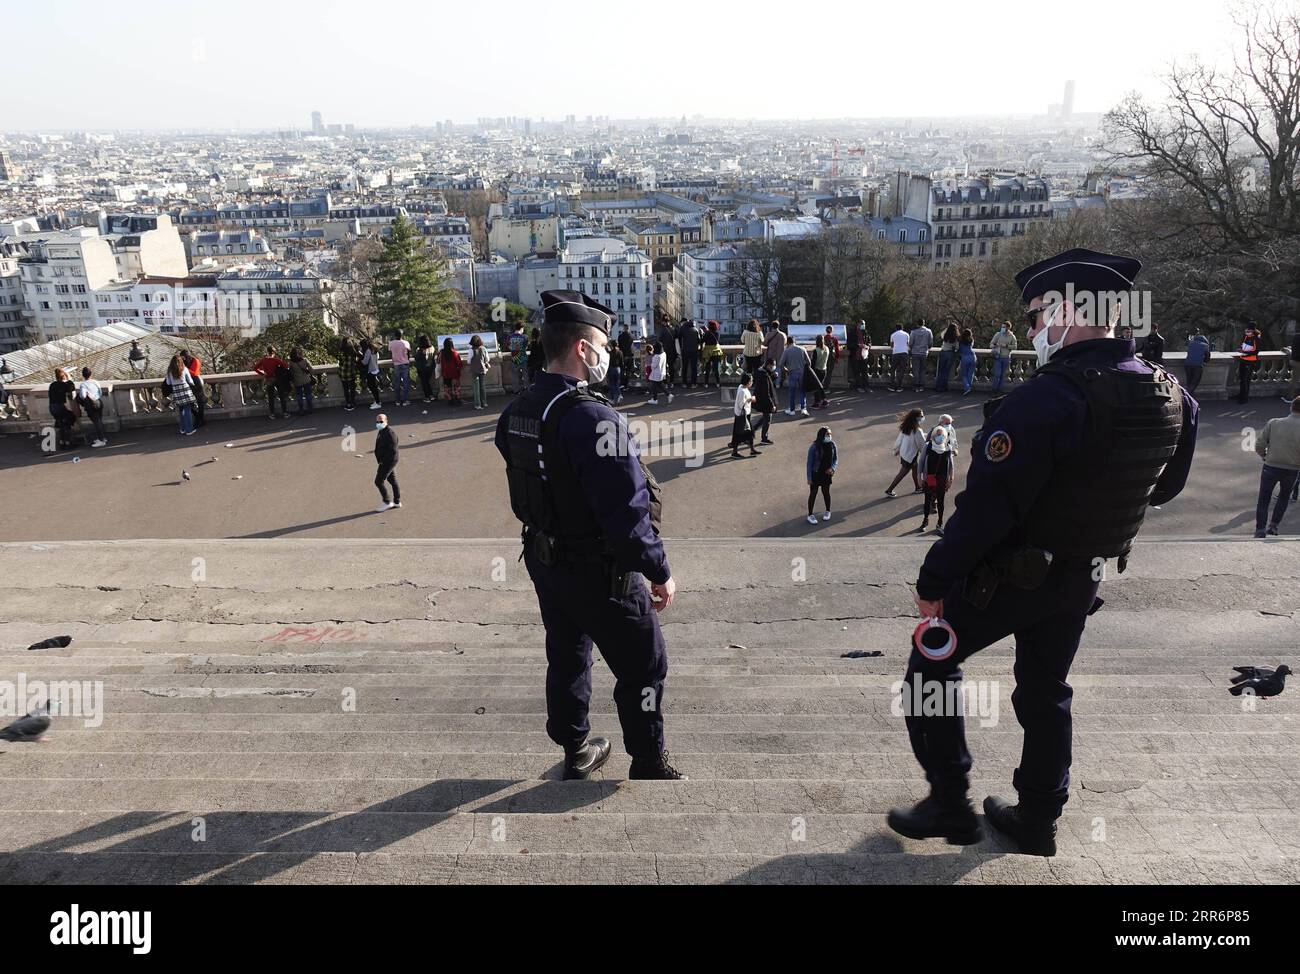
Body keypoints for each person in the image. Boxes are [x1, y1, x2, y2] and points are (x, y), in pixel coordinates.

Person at [888, 247, 1198, 856]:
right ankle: (1038, 818)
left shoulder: (1046, 400)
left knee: (929, 667)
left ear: (1066, 311)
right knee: (1045, 690)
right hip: (1083, 575)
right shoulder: (1171, 395)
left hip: (1010, 575)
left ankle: (950, 802)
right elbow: (1165, 488)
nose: (1032, 330)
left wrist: (934, 580)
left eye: (1035, 316)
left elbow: (984, 512)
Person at [496, 288, 682, 781]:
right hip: (601, 572)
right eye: (602, 342)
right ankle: (647, 760)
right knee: (644, 668)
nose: (606, 352)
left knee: (567, 651)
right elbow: (628, 516)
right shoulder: (595, 418)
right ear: (582, 348)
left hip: (545, 559)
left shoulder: (519, 407)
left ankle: (576, 747)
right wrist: (659, 571)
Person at [1253, 397, 1300, 537]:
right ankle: (1274, 526)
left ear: (1291, 407)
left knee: (1264, 498)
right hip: (1292, 468)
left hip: (1271, 465)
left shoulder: (1274, 423)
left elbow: (1260, 444)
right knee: (1284, 497)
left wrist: (1264, 456)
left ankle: (1260, 529)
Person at [918, 424, 956, 534]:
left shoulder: (948, 447)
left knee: (940, 501)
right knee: (927, 500)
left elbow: (951, 465)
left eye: (942, 435)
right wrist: (919, 477)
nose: (940, 437)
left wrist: (951, 478)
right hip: (929, 477)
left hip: (942, 478)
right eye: (938, 435)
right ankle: (925, 521)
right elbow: (921, 462)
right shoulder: (928, 446)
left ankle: (940, 523)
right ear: (934, 435)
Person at [886, 407, 926, 496]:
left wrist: (896, 449)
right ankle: (889, 490)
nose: (923, 417)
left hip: (905, 453)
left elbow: (901, 439)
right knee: (902, 473)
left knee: (915, 469)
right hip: (910, 456)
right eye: (921, 416)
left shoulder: (907, 426)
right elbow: (921, 444)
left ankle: (918, 487)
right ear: (916, 417)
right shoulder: (917, 430)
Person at [805, 426, 837, 524]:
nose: (830, 436)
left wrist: (832, 468)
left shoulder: (832, 444)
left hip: (827, 473)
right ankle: (810, 515)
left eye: (830, 434)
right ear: (822, 435)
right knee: (813, 493)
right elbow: (809, 463)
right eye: (828, 434)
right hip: (816, 473)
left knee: (826, 492)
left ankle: (828, 511)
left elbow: (835, 459)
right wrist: (809, 478)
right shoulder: (814, 447)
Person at [163, 353, 198, 436]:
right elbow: (190, 381)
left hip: (176, 391)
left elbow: (168, 382)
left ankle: (182, 429)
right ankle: (189, 430)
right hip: (185, 390)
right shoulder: (184, 369)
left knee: (181, 411)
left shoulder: (169, 371)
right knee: (187, 410)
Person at [372, 412, 401, 512]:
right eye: (377, 421)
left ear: (386, 421)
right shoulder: (382, 431)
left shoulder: (390, 433)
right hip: (387, 461)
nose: (379, 423)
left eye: (381, 421)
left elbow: (393, 451)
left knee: (378, 481)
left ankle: (387, 502)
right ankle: (397, 502)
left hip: (388, 462)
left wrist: (383, 462)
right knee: (392, 480)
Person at [253, 345, 290, 419]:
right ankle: (285, 413)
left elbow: (255, 368)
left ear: (267, 352)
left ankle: (272, 414)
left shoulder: (263, 360)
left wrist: (263, 374)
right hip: (277, 380)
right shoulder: (276, 360)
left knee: (271, 398)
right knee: (281, 396)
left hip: (269, 380)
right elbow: (286, 366)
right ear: (274, 352)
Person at [730, 372, 761, 459]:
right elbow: (741, 404)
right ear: (747, 382)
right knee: (744, 433)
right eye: (751, 381)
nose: (752, 382)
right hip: (742, 416)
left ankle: (750, 449)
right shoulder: (743, 391)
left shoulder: (741, 387)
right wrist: (751, 399)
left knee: (745, 433)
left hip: (742, 415)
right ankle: (736, 452)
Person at [76, 366, 108, 448]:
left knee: (96, 422)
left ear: (83, 375)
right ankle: (103, 438)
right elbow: (100, 393)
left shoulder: (83, 385)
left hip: (90, 405)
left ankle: (101, 440)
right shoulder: (95, 382)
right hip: (98, 402)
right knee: (99, 420)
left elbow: (83, 396)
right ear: (91, 374)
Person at [48, 368, 78, 450]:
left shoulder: (52, 384)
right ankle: (68, 442)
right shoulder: (63, 385)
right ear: (63, 377)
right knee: (69, 420)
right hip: (59, 407)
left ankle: (62, 442)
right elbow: (71, 389)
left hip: (52, 407)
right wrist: (69, 379)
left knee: (61, 423)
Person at [780, 339, 811, 417]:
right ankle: (803, 409)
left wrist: (786, 370)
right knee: (802, 391)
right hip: (802, 372)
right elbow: (809, 362)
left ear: (788, 343)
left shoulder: (786, 351)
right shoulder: (802, 349)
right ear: (794, 342)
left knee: (792, 392)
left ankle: (792, 410)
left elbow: (781, 364)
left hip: (792, 372)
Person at [753, 358, 778, 445]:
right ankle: (764, 438)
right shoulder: (764, 375)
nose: (774, 367)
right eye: (773, 365)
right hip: (765, 401)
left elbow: (768, 382)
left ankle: (752, 430)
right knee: (767, 418)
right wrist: (772, 405)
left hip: (761, 399)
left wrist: (773, 377)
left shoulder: (763, 372)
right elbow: (766, 392)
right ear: (768, 365)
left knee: (765, 417)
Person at [990, 320, 1017, 393]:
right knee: (997, 374)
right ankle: (994, 389)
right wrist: (996, 345)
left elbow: (1015, 347)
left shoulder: (1012, 336)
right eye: (1002, 327)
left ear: (1008, 328)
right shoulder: (998, 334)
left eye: (1004, 327)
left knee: (1002, 375)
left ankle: (999, 390)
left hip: (1006, 358)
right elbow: (991, 344)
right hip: (998, 357)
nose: (1002, 328)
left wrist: (1006, 346)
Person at [1235, 324, 1260, 403]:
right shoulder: (1246, 337)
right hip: (1243, 359)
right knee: (1242, 379)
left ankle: (1244, 398)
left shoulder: (1256, 338)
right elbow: (1244, 346)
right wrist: (1241, 349)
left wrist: (1244, 352)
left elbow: (1256, 351)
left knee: (1246, 380)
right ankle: (1241, 394)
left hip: (1250, 361)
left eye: (1248, 330)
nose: (1247, 332)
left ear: (1252, 330)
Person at [388, 329, 412, 406]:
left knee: (397, 383)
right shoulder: (406, 343)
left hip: (396, 364)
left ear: (395, 335)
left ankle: (397, 401)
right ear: (402, 335)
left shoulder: (391, 343)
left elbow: (390, 353)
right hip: (405, 364)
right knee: (405, 383)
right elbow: (408, 354)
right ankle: (405, 400)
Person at [181, 350, 204, 428]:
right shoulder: (183, 362)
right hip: (188, 383)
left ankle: (200, 420)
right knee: (189, 402)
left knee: (200, 401)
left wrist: (184, 369)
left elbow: (194, 373)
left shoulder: (195, 360)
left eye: (184, 357)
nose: (183, 359)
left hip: (196, 381)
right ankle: (197, 417)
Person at [288, 346, 315, 415]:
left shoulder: (291, 362)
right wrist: (310, 374)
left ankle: (301, 410)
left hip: (297, 381)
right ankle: (310, 409)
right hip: (306, 380)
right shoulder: (304, 360)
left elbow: (290, 373)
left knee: (299, 396)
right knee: (308, 394)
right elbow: (311, 370)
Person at [909, 318, 933, 392]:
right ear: (924, 323)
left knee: (916, 370)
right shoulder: (929, 331)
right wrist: (928, 348)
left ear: (917, 324)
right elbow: (930, 343)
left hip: (915, 352)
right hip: (924, 352)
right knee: (922, 370)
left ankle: (916, 385)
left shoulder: (913, 332)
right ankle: (921, 385)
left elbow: (910, 343)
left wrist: (912, 348)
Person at [935, 323, 959, 394]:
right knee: (946, 371)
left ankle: (938, 387)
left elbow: (941, 334)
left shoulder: (945, 335)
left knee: (940, 371)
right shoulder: (956, 337)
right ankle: (944, 387)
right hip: (950, 353)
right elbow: (957, 347)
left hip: (943, 352)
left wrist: (947, 328)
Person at [1184, 330, 1211, 395]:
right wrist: (1204, 361)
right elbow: (1207, 357)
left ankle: (1190, 397)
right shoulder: (1205, 346)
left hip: (1187, 364)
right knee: (1195, 382)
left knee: (1189, 381)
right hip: (1197, 365)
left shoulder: (1190, 344)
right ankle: (1186, 395)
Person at [338, 336, 360, 411]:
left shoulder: (341, 352)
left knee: (346, 389)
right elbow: (358, 358)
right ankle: (353, 403)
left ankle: (348, 403)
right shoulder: (353, 352)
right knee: (352, 389)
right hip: (351, 373)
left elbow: (340, 363)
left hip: (343, 373)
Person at [678, 318, 702, 387]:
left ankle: (684, 383)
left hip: (685, 350)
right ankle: (693, 383)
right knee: (694, 368)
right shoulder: (696, 329)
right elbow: (699, 341)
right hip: (694, 351)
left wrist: (681, 347)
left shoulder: (682, 328)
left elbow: (678, 337)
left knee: (684, 367)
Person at [507, 322, 530, 394]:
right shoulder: (525, 337)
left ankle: (516, 390)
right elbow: (526, 347)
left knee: (514, 376)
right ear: (521, 328)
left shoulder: (509, 337)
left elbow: (509, 347)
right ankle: (527, 389)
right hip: (523, 358)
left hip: (514, 359)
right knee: (525, 374)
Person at [846, 321, 869, 392]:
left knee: (865, 372)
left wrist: (868, 346)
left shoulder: (865, 332)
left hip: (864, 355)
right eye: (862, 324)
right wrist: (858, 345)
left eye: (864, 324)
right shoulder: (851, 333)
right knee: (856, 372)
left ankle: (866, 387)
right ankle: (858, 387)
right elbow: (849, 344)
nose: (863, 325)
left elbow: (869, 341)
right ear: (858, 324)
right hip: (855, 355)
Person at [469, 335, 491, 410]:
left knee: (476, 388)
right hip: (482, 369)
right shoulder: (484, 348)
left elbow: (469, 361)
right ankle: (484, 402)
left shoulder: (471, 350)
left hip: (474, 370)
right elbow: (487, 359)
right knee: (482, 386)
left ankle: (477, 404)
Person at [657, 318, 679, 390]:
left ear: (664, 322)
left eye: (662, 322)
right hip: (672, 351)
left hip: (664, 351)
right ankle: (672, 382)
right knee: (671, 367)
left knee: (664, 368)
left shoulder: (663, 330)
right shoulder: (673, 329)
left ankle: (665, 382)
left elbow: (659, 340)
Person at [440, 338, 463, 406]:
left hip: (445, 373)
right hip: (454, 372)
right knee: (457, 387)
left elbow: (439, 361)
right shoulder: (454, 352)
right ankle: (458, 400)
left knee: (447, 387)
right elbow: (459, 363)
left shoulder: (442, 352)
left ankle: (450, 401)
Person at [361, 339, 383, 409]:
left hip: (370, 370)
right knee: (374, 387)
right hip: (375, 369)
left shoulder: (368, 351)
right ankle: (377, 401)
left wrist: (360, 359)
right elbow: (378, 358)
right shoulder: (375, 349)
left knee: (372, 387)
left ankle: (378, 402)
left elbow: (365, 362)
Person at [414, 334, 436, 403]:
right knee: (427, 382)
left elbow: (416, 358)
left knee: (424, 383)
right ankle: (431, 395)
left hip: (422, 368)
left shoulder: (420, 349)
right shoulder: (432, 347)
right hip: (430, 368)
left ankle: (427, 397)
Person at [889, 323, 910, 392]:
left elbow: (891, 345)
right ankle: (899, 386)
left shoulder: (893, 335)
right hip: (904, 353)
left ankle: (892, 385)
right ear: (902, 328)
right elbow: (908, 344)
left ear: (896, 328)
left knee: (893, 369)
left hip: (896, 353)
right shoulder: (907, 334)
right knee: (902, 370)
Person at [701, 320, 723, 388]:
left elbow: (702, 341)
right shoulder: (717, 333)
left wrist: (702, 334)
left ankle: (706, 383)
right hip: (716, 352)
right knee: (716, 368)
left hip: (707, 352)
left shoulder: (707, 333)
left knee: (707, 368)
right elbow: (717, 341)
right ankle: (718, 383)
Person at [765, 321, 787, 387]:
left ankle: (770, 384)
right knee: (778, 370)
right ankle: (777, 384)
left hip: (770, 355)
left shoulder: (769, 334)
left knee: (769, 370)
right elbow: (785, 344)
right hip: (780, 355)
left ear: (772, 326)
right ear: (778, 326)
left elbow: (765, 343)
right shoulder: (783, 335)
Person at [958, 328, 978, 395]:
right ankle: (968, 387)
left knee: (963, 374)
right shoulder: (971, 340)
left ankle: (967, 388)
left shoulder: (960, 341)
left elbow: (958, 349)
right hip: (973, 357)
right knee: (970, 374)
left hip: (965, 358)